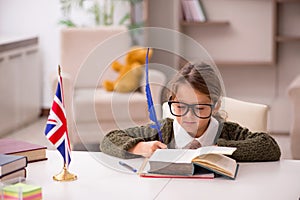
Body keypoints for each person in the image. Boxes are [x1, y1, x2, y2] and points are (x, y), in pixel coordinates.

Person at [100, 63, 281, 162]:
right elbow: (108, 139)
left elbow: (270, 146)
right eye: (180, 107)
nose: (188, 117)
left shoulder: (228, 131)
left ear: (216, 105)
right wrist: (140, 147)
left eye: (200, 108)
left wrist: (220, 150)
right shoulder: (162, 131)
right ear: (172, 100)